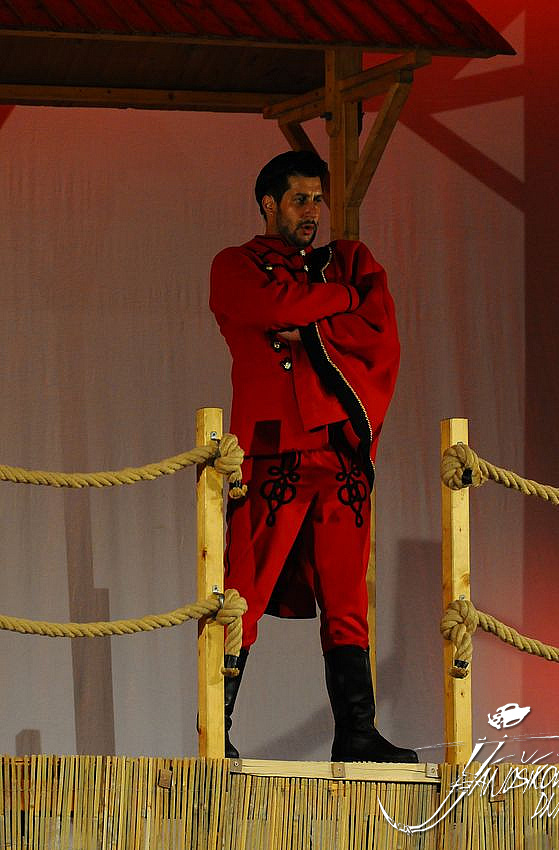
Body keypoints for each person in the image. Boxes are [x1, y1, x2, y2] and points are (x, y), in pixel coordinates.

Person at [209, 151, 417, 764]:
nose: (312, 212)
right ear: (269, 203)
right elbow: (274, 308)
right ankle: (214, 731)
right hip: (271, 454)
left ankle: (357, 734)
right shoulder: (235, 265)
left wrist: (315, 324)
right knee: (242, 594)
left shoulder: (346, 263)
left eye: (317, 200)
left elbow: (381, 325)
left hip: (337, 458)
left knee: (348, 599)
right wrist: (339, 304)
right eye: (299, 200)